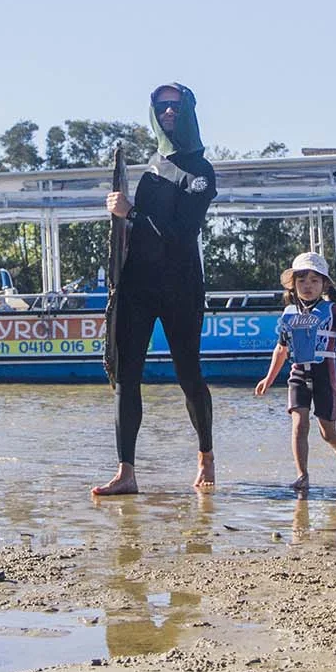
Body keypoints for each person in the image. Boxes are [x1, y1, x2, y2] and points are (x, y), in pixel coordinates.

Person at [93, 83, 219, 497]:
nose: (168, 112)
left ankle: (206, 457)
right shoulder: (149, 165)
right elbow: (131, 230)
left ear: (188, 110)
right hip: (137, 285)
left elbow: (182, 234)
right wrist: (120, 218)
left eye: (175, 105)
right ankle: (126, 472)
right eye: (161, 106)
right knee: (126, 378)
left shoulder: (201, 171)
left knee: (188, 373)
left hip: (181, 285)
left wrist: (132, 211)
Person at [254, 252, 336, 492]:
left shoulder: (333, 312)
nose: (307, 286)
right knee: (299, 425)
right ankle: (303, 475)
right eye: (301, 280)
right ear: (293, 285)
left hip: (324, 376)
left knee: (327, 433)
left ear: (324, 284)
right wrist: (268, 379)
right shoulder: (288, 314)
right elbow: (281, 349)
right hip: (298, 375)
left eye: (313, 280)